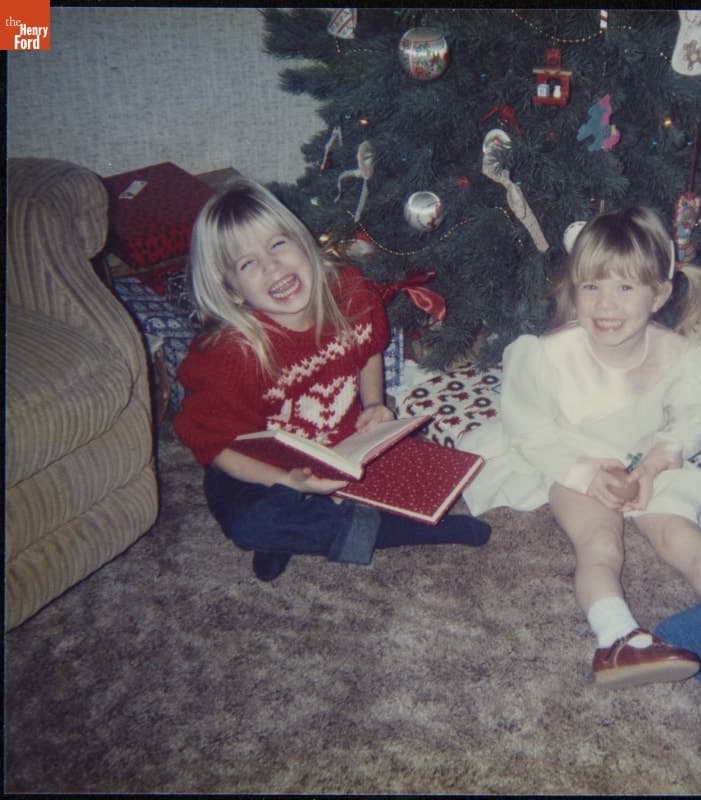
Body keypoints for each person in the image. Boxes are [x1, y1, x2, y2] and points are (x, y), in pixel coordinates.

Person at [461, 207, 701, 688]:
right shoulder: (548, 357)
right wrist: (586, 474)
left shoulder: (680, 355)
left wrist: (655, 466)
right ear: (575, 291)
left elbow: (692, 418)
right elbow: (530, 430)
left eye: (625, 288)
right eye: (591, 287)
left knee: (680, 533)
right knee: (599, 543)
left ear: (659, 295)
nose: (605, 304)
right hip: (573, 457)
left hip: (648, 457)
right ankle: (618, 640)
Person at [173, 179, 489, 582]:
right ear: (231, 290)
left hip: (342, 447)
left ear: (303, 242)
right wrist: (286, 480)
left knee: (425, 477)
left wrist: (375, 403)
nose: (272, 267)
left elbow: (368, 347)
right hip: (261, 468)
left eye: (277, 245)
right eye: (247, 264)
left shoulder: (349, 292)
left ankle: (296, 534)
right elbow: (215, 447)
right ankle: (397, 532)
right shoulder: (231, 356)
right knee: (249, 522)